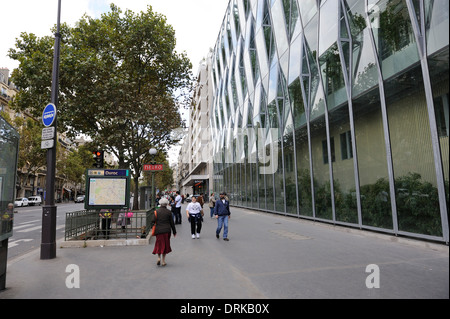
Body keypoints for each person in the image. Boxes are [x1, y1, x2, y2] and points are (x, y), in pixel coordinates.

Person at [150, 198, 177, 267]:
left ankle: (158, 257)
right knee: (165, 245)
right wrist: (174, 232)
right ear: (167, 204)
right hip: (167, 231)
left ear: (160, 203)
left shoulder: (156, 211)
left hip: (158, 231)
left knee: (159, 244)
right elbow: (172, 223)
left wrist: (153, 226)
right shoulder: (169, 212)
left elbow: (152, 221)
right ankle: (163, 261)